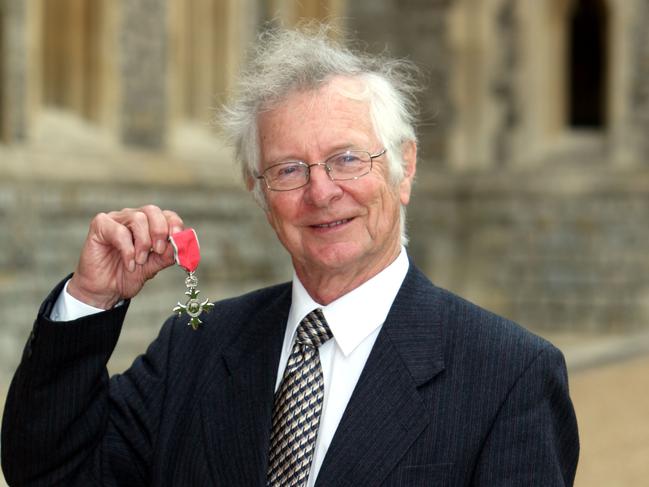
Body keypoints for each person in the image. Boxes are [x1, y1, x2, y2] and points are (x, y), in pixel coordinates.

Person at [2, 26, 579, 486]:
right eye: (288, 169)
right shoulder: (194, 347)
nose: (321, 191)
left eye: (348, 158)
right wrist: (91, 299)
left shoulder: (510, 377)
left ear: (404, 169)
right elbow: (50, 472)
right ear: (259, 193)